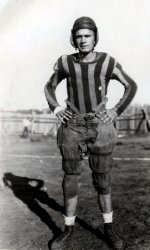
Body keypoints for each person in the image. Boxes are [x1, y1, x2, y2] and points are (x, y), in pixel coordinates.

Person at [44, 16, 137, 250]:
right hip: (72, 126)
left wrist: (116, 110)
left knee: (103, 180)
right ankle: (67, 231)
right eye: (79, 36)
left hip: (100, 125)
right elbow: (49, 86)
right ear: (73, 39)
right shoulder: (65, 62)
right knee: (70, 181)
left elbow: (130, 85)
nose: (83, 40)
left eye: (87, 36)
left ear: (95, 37)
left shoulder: (107, 62)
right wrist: (56, 108)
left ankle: (109, 228)